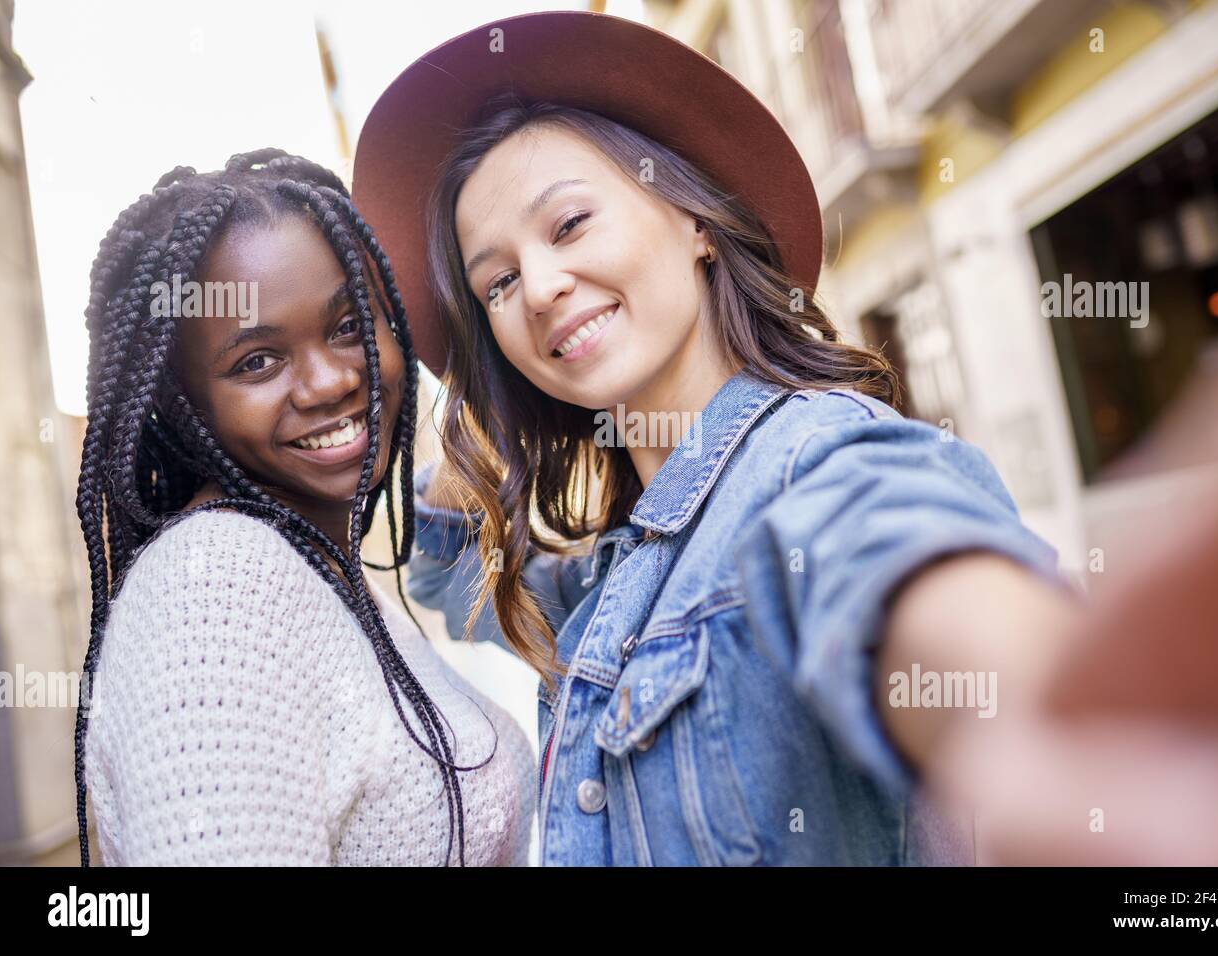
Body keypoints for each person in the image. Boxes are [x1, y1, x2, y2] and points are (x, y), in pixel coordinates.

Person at [353, 12, 1081, 866]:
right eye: (499, 281)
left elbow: (925, 587)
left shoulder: (818, 464)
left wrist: (1062, 733)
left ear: (696, 221)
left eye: (570, 225)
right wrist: (489, 386)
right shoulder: (611, 580)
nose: (541, 286)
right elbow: (443, 572)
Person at [75, 149, 533, 866]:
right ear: (180, 405)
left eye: (351, 326)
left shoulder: (317, 563)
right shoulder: (214, 593)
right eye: (257, 361)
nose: (328, 381)